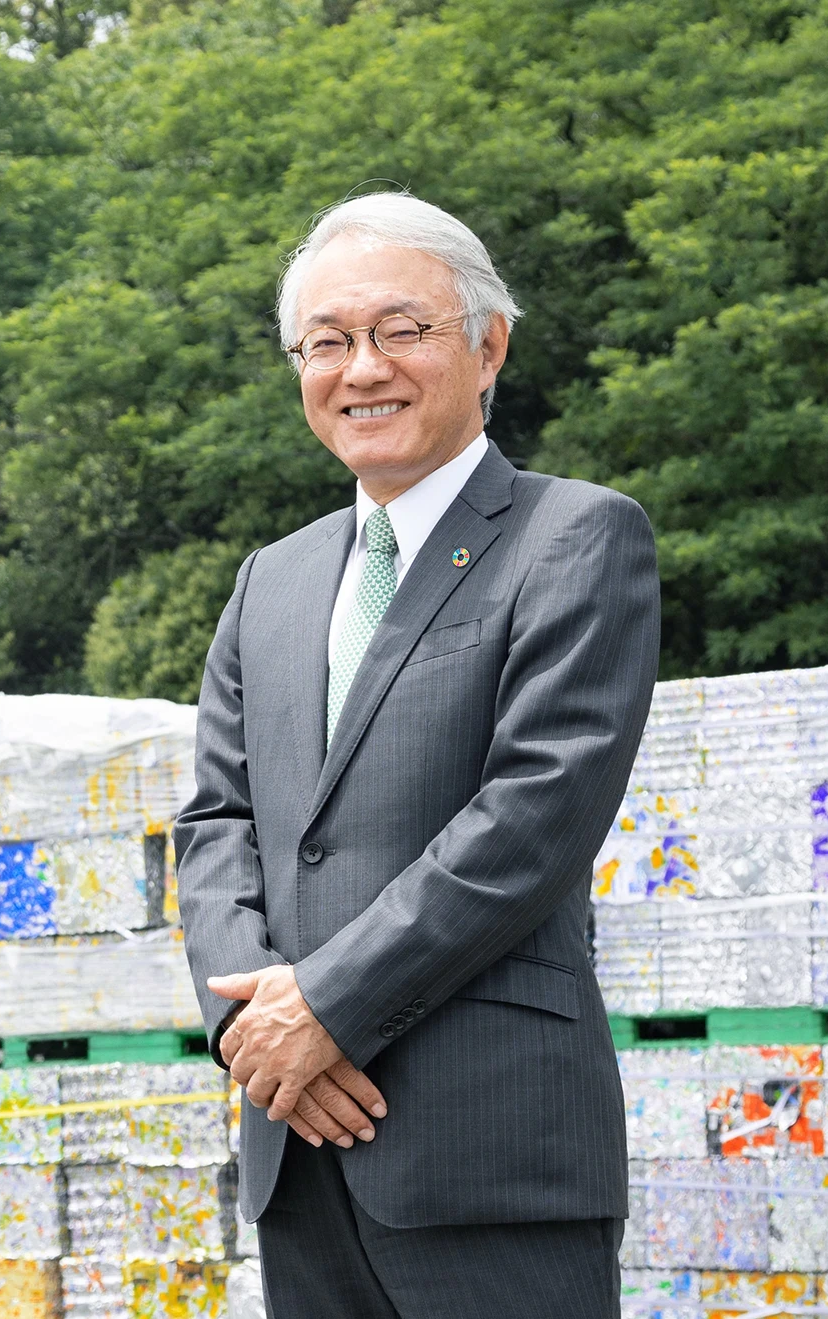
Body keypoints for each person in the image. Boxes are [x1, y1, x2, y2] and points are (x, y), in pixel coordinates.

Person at [175, 191, 660, 1317]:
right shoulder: (272, 582)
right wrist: (258, 1035)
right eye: (328, 342)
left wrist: (326, 1008)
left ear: (488, 345)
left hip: (491, 1154)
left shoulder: (575, 536)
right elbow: (214, 825)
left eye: (402, 330)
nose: (362, 368)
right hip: (298, 1141)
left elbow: (532, 814)